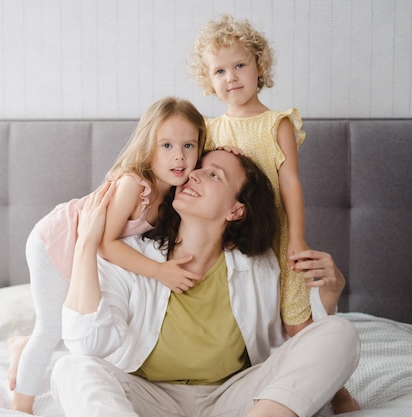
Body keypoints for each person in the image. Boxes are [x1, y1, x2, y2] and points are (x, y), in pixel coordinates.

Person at [51, 150, 360, 417]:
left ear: (236, 210)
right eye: (197, 168)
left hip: (234, 399)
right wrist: (86, 246)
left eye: (214, 175)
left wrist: (329, 295)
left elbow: (298, 349)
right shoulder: (130, 257)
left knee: (340, 331)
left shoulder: (260, 265)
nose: (194, 175)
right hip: (148, 399)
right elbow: (87, 345)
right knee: (71, 368)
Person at [188, 14, 358, 413]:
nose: (231, 77)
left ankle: (338, 391)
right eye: (220, 70)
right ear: (208, 80)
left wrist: (296, 237)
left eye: (240, 65)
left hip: (279, 235)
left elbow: (291, 184)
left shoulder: (276, 124)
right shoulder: (210, 130)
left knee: (297, 321)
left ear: (259, 67)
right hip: (235, 242)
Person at [7, 96, 207, 413]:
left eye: (188, 146)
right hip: (55, 241)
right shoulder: (134, 185)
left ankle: (19, 346)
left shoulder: (173, 194)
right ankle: (21, 406)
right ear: (148, 147)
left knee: (72, 323)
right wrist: (158, 272)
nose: (179, 157)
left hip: (81, 251)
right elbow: (105, 243)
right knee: (51, 328)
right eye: (166, 145)